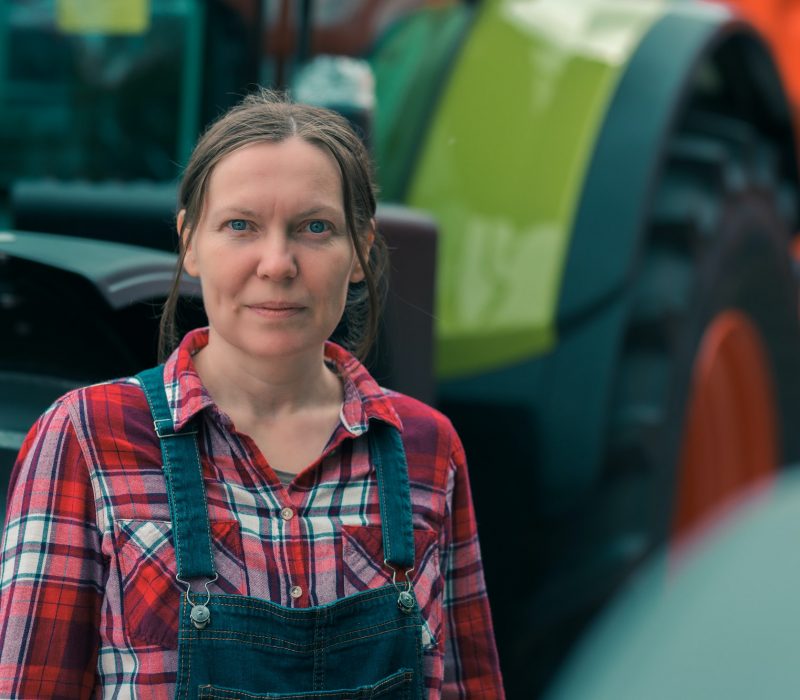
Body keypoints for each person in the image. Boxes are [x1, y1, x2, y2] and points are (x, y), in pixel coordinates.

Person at [0, 89, 504, 698]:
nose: (277, 262)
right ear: (190, 242)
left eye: (314, 228)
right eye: (240, 226)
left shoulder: (426, 448)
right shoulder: (85, 436)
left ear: (360, 251)